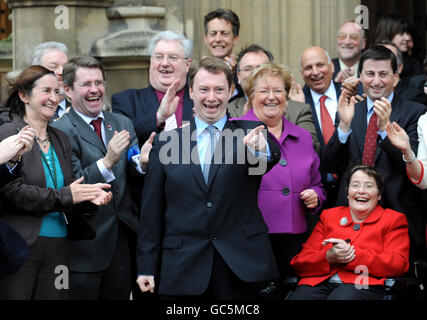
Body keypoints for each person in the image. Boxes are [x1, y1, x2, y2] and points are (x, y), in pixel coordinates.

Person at [136, 57, 280, 300]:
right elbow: (151, 211)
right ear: (191, 92)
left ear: (230, 91)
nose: (211, 97)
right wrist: (146, 267)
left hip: (241, 266)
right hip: (183, 268)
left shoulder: (249, 133)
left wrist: (259, 149)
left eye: (219, 89)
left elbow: (266, 159)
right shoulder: (168, 142)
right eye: (204, 89)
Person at [0, 65, 112, 300]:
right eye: (45, 91)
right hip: (21, 246)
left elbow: (71, 190)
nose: (54, 98)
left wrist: (91, 196)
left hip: (60, 245)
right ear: (24, 96)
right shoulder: (9, 134)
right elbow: (13, 192)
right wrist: (69, 195)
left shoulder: (60, 137)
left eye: (57, 91)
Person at [51, 56, 149, 300]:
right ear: (67, 89)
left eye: (99, 82)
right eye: (86, 84)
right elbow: (72, 185)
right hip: (85, 247)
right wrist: (107, 161)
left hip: (123, 242)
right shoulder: (60, 130)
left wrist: (143, 164)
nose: (94, 90)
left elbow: (133, 176)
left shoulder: (121, 122)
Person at [321, 45, 427, 260]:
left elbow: (414, 170)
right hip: (352, 218)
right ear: (360, 76)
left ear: (396, 77)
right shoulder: (351, 109)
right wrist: (343, 127)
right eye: (369, 74)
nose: (376, 81)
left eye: (383, 74)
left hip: (398, 216)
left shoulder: (414, 112)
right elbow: (330, 165)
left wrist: (383, 130)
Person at [233, 62, 326, 296]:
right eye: (264, 91)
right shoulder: (233, 132)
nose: (271, 97)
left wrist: (316, 195)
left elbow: (317, 183)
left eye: (278, 91)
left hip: (295, 242)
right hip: (249, 240)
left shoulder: (303, 136)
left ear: (287, 96)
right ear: (251, 96)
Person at [289, 165, 410, 300]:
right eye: (355, 185)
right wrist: (328, 256)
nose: (361, 191)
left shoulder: (393, 219)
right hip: (318, 282)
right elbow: (300, 263)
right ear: (347, 192)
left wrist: (351, 255)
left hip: (362, 284)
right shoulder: (329, 216)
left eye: (369, 186)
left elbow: (398, 265)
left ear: (379, 195)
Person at [228, 44, 320, 153]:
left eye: (261, 68)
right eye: (248, 68)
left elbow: (311, 150)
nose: (254, 73)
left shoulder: (298, 109)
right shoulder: (228, 110)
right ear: (238, 76)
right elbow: (228, 154)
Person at [112, 31, 194, 146]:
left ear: (187, 65)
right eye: (159, 57)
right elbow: (123, 143)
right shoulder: (126, 101)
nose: (165, 63)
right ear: (151, 62)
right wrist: (159, 117)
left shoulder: (203, 100)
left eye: (173, 57)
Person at [300, 46, 342, 208]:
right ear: (302, 73)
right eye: (308, 68)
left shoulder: (352, 94)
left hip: (351, 190)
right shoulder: (296, 102)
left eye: (320, 65)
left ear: (331, 66)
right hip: (313, 196)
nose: (315, 72)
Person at [374, 14, 423, 81]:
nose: (407, 38)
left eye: (408, 33)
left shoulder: (415, 64)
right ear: (387, 33)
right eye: (401, 33)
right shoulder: (370, 60)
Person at [31, 41, 70, 118]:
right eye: (53, 67)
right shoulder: (22, 112)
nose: (62, 72)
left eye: (65, 67)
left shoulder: (80, 110)